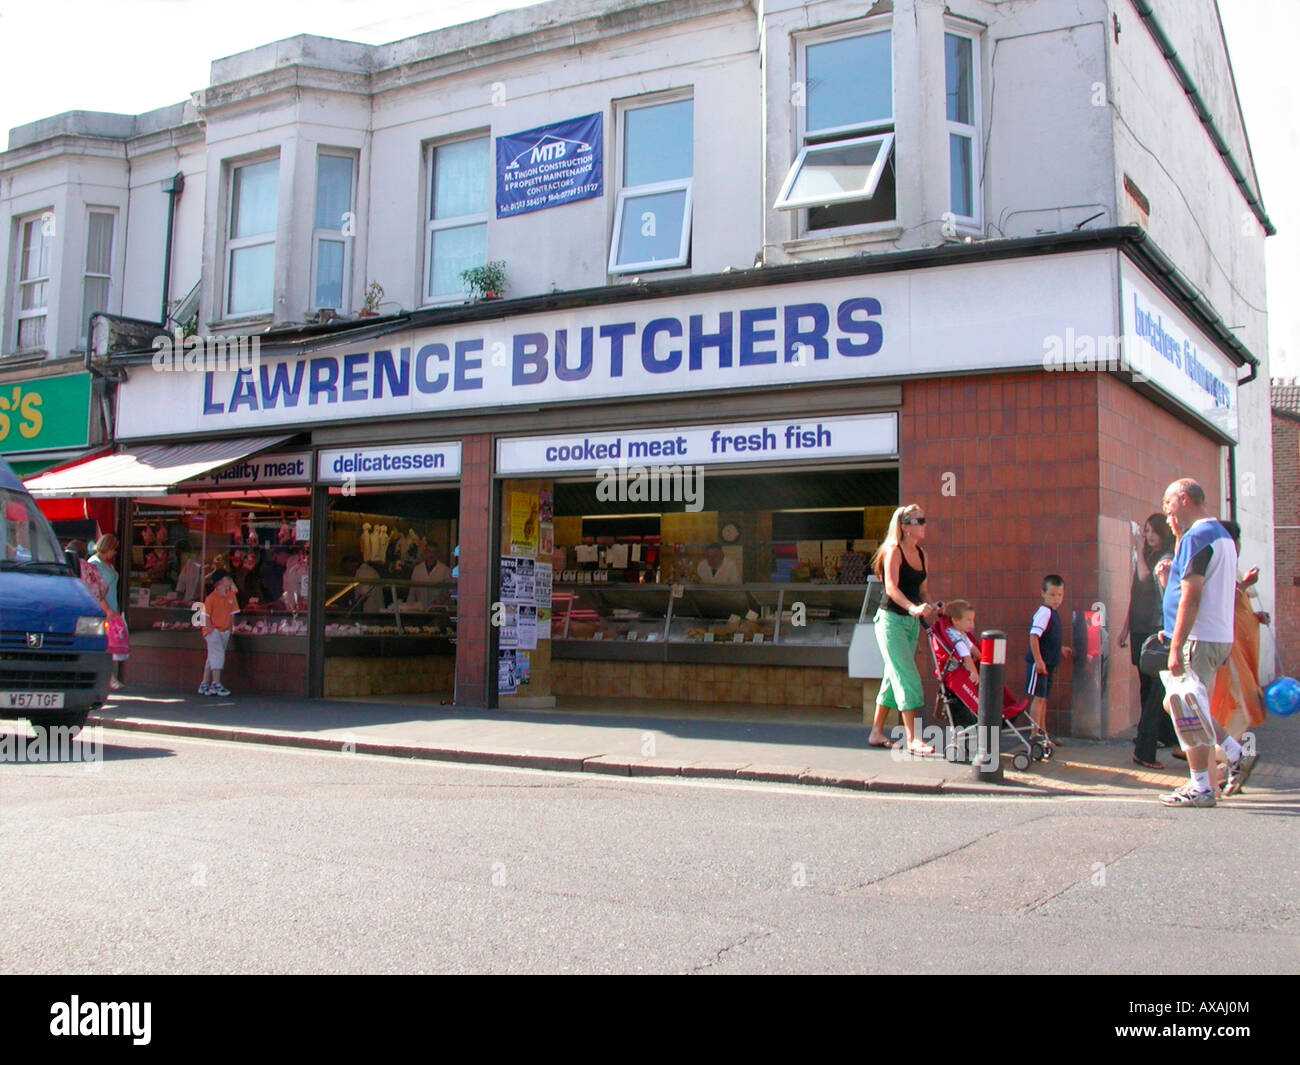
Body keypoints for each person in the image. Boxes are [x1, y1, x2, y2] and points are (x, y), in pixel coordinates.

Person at [1156, 478, 1256, 807]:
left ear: (1184, 499)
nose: (1166, 512)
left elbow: (1191, 596)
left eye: (1168, 504)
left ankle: (1202, 786)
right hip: (1215, 638)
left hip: (1198, 640)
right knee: (1182, 705)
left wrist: (1176, 645)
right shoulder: (1222, 536)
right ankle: (1234, 753)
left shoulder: (1197, 536)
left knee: (1187, 711)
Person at [866, 504, 938, 755]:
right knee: (907, 676)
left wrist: (932, 606)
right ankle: (913, 738)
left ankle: (876, 732)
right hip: (891, 622)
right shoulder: (893, 551)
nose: (924, 525)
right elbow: (891, 589)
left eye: (924, 520)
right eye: (920, 521)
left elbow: (923, 590)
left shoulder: (921, 553)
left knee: (892, 676)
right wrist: (912, 608)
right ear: (906, 527)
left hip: (909, 623)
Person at [1118, 513, 1179, 768]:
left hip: (1158, 630)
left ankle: (1157, 737)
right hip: (1142, 629)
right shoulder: (1149, 557)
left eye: (1153, 531)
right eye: (1146, 531)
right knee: (1150, 687)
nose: (1148, 536)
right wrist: (1125, 629)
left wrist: (1136, 550)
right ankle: (1153, 739)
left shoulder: (1165, 559)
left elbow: (1145, 577)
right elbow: (1136, 592)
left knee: (1158, 689)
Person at [1210, 520, 1268, 743]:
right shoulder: (1218, 568)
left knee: (1239, 703)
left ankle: (1216, 752)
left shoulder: (1232, 568)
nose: (1238, 545)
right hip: (1229, 649)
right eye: (1235, 541)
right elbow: (1225, 602)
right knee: (1244, 703)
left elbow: (1240, 603)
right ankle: (1222, 753)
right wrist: (1244, 585)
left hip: (1240, 649)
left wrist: (1256, 617)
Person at [1025, 575, 1074, 744]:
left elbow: (1048, 638)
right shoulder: (1044, 612)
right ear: (1043, 594)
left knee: (1044, 699)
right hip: (1040, 664)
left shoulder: (1053, 614)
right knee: (1038, 698)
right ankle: (1034, 734)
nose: (1056, 599)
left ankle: (1043, 733)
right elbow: (1034, 636)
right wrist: (1038, 660)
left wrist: (1059, 649)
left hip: (1049, 663)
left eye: (1059, 595)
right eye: (1052, 595)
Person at [84, 534, 127, 691]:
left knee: (112, 645)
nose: (115, 553)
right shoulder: (94, 564)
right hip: (103, 611)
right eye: (114, 549)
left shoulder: (106, 564)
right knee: (106, 645)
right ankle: (110, 678)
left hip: (112, 609)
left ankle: (109, 677)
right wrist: (107, 609)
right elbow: (95, 590)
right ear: (107, 547)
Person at [199, 569, 238, 697]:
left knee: (212, 656)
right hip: (213, 631)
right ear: (220, 582)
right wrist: (210, 630)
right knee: (218, 655)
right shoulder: (211, 598)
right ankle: (216, 683)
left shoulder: (231, 595)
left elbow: (233, 613)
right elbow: (206, 616)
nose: (230, 581)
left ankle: (204, 683)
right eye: (228, 578)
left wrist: (231, 627)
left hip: (225, 631)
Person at [943, 599, 980, 684]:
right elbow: (967, 658)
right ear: (955, 620)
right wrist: (975, 675)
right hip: (955, 674)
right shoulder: (956, 639)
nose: (972, 624)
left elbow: (973, 648)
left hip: (960, 670)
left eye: (973, 620)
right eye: (969, 620)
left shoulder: (961, 634)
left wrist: (984, 660)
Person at [407, 543, 453, 608]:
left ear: (437, 554)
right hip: (420, 609)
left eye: (434, 552)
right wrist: (409, 607)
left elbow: (452, 590)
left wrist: (440, 600)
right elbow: (412, 592)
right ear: (425, 553)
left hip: (439, 609)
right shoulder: (417, 569)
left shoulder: (445, 570)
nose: (431, 555)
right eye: (429, 551)